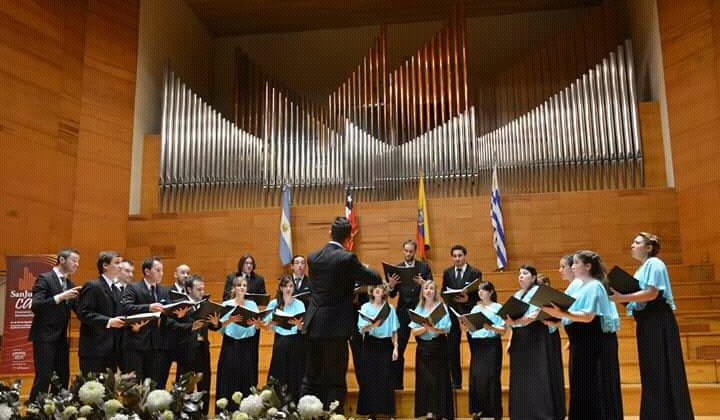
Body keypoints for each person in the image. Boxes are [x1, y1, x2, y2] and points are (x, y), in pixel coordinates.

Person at [609, 233, 694, 420]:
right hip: (648, 321)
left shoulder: (655, 264)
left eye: (637, 242)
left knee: (661, 367)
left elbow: (652, 293)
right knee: (652, 370)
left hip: (658, 321)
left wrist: (623, 297)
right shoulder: (642, 268)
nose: (632, 245)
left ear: (649, 247)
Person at [301, 216, 381, 410]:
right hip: (335, 327)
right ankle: (334, 414)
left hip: (313, 324)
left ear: (330, 232)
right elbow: (375, 278)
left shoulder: (313, 258)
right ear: (349, 237)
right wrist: (364, 269)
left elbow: (323, 287)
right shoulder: (347, 258)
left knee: (311, 377)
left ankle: (306, 413)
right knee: (335, 379)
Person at [543, 251, 623, 420]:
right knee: (580, 386)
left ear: (588, 266)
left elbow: (588, 316)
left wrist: (561, 313)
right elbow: (571, 311)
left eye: (576, 263)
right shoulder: (576, 285)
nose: (572, 266)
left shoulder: (595, 285)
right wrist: (557, 318)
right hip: (580, 343)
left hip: (594, 343)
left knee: (593, 386)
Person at [505, 265, 565, 420]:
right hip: (520, 337)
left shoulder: (539, 292)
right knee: (521, 375)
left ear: (533, 277)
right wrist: (510, 322)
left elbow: (536, 314)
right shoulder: (517, 294)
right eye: (519, 274)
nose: (521, 276)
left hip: (536, 334)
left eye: (525, 273)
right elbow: (512, 318)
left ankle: (540, 413)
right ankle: (522, 413)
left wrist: (518, 320)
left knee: (537, 373)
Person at [121, 256, 191, 387]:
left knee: (154, 386)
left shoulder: (164, 290)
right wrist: (148, 307)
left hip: (157, 346)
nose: (161, 273)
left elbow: (168, 314)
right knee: (133, 386)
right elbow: (126, 307)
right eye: (158, 270)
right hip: (136, 344)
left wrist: (178, 314)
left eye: (162, 270)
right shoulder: (133, 287)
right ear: (147, 271)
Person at [28, 248, 80, 404]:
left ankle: (58, 410)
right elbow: (35, 305)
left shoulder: (70, 284)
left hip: (61, 338)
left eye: (78, 261)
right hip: (44, 337)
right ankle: (35, 409)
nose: (77, 264)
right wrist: (61, 297)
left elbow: (81, 311)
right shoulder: (45, 278)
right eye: (74, 260)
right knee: (44, 376)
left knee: (63, 377)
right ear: (62, 260)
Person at [213, 276, 263, 412]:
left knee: (246, 377)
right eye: (239, 285)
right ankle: (227, 411)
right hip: (230, 345)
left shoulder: (252, 305)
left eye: (245, 285)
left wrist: (257, 324)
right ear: (234, 288)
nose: (242, 287)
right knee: (229, 377)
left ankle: (247, 412)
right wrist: (229, 320)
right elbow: (219, 328)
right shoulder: (226, 304)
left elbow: (256, 328)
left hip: (247, 346)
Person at [387, 239, 433, 389]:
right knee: (398, 347)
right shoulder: (397, 268)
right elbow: (392, 295)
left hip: (420, 310)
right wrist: (391, 286)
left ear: (414, 252)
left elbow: (431, 289)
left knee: (425, 347)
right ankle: (396, 384)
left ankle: (425, 384)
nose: (408, 254)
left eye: (410, 251)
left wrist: (424, 284)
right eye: (405, 251)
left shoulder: (424, 267)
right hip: (403, 312)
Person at [459, 281, 505, 420]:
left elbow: (503, 330)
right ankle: (478, 410)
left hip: (491, 345)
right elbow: (471, 330)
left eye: (483, 290)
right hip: (477, 346)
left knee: (491, 377)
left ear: (491, 292)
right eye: (479, 290)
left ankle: (495, 411)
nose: (480, 292)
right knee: (477, 377)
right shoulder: (475, 308)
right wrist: (465, 324)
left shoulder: (498, 307)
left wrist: (490, 327)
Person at [410, 280, 453, 420]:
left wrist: (433, 329)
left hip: (439, 346)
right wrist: (426, 327)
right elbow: (414, 332)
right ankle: (428, 410)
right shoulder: (418, 308)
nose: (429, 291)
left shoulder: (441, 307)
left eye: (432, 289)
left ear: (435, 292)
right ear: (422, 292)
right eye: (426, 288)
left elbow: (446, 329)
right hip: (423, 348)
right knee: (426, 380)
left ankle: (440, 411)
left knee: (439, 379)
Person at [77, 251, 126, 374]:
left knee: (109, 390)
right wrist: (108, 321)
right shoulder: (93, 286)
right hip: (94, 351)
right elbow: (83, 313)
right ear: (105, 265)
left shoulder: (116, 289)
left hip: (112, 351)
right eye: (117, 263)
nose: (121, 266)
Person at [356, 283, 400, 418]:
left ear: (384, 292)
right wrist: (373, 325)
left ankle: (389, 412)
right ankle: (371, 412)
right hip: (370, 344)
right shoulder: (365, 308)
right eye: (375, 288)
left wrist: (396, 347)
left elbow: (394, 330)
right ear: (371, 291)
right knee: (370, 378)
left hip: (385, 345)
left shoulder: (390, 308)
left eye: (380, 288)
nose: (377, 290)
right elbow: (362, 329)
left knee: (386, 377)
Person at [441, 244, 481, 389]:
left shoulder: (475, 272)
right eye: (455, 256)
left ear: (465, 256)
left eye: (460, 255)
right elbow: (443, 293)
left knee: (474, 348)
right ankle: (456, 382)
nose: (457, 259)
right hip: (453, 315)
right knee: (452, 350)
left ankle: (474, 382)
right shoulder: (447, 272)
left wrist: (467, 300)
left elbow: (478, 294)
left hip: (470, 313)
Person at [261, 275, 306, 400]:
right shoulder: (274, 303)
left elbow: (303, 328)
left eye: (291, 286)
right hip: (280, 340)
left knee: (295, 371)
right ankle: (277, 402)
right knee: (279, 371)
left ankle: (296, 402)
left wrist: (298, 324)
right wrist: (270, 324)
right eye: (286, 286)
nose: (288, 288)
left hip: (296, 341)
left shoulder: (300, 304)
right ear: (281, 288)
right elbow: (264, 326)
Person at [183, 274, 217, 415]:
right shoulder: (182, 305)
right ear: (189, 289)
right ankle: (187, 415)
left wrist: (215, 323)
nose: (202, 292)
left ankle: (203, 415)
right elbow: (174, 325)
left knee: (204, 384)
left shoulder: (205, 305)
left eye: (203, 289)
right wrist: (191, 326)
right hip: (187, 350)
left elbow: (212, 326)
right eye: (198, 289)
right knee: (187, 386)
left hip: (203, 349)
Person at [170, 264, 192, 382]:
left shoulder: (190, 293)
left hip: (186, 342)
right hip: (171, 340)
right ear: (175, 274)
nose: (186, 275)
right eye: (183, 272)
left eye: (188, 273)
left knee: (184, 378)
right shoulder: (168, 292)